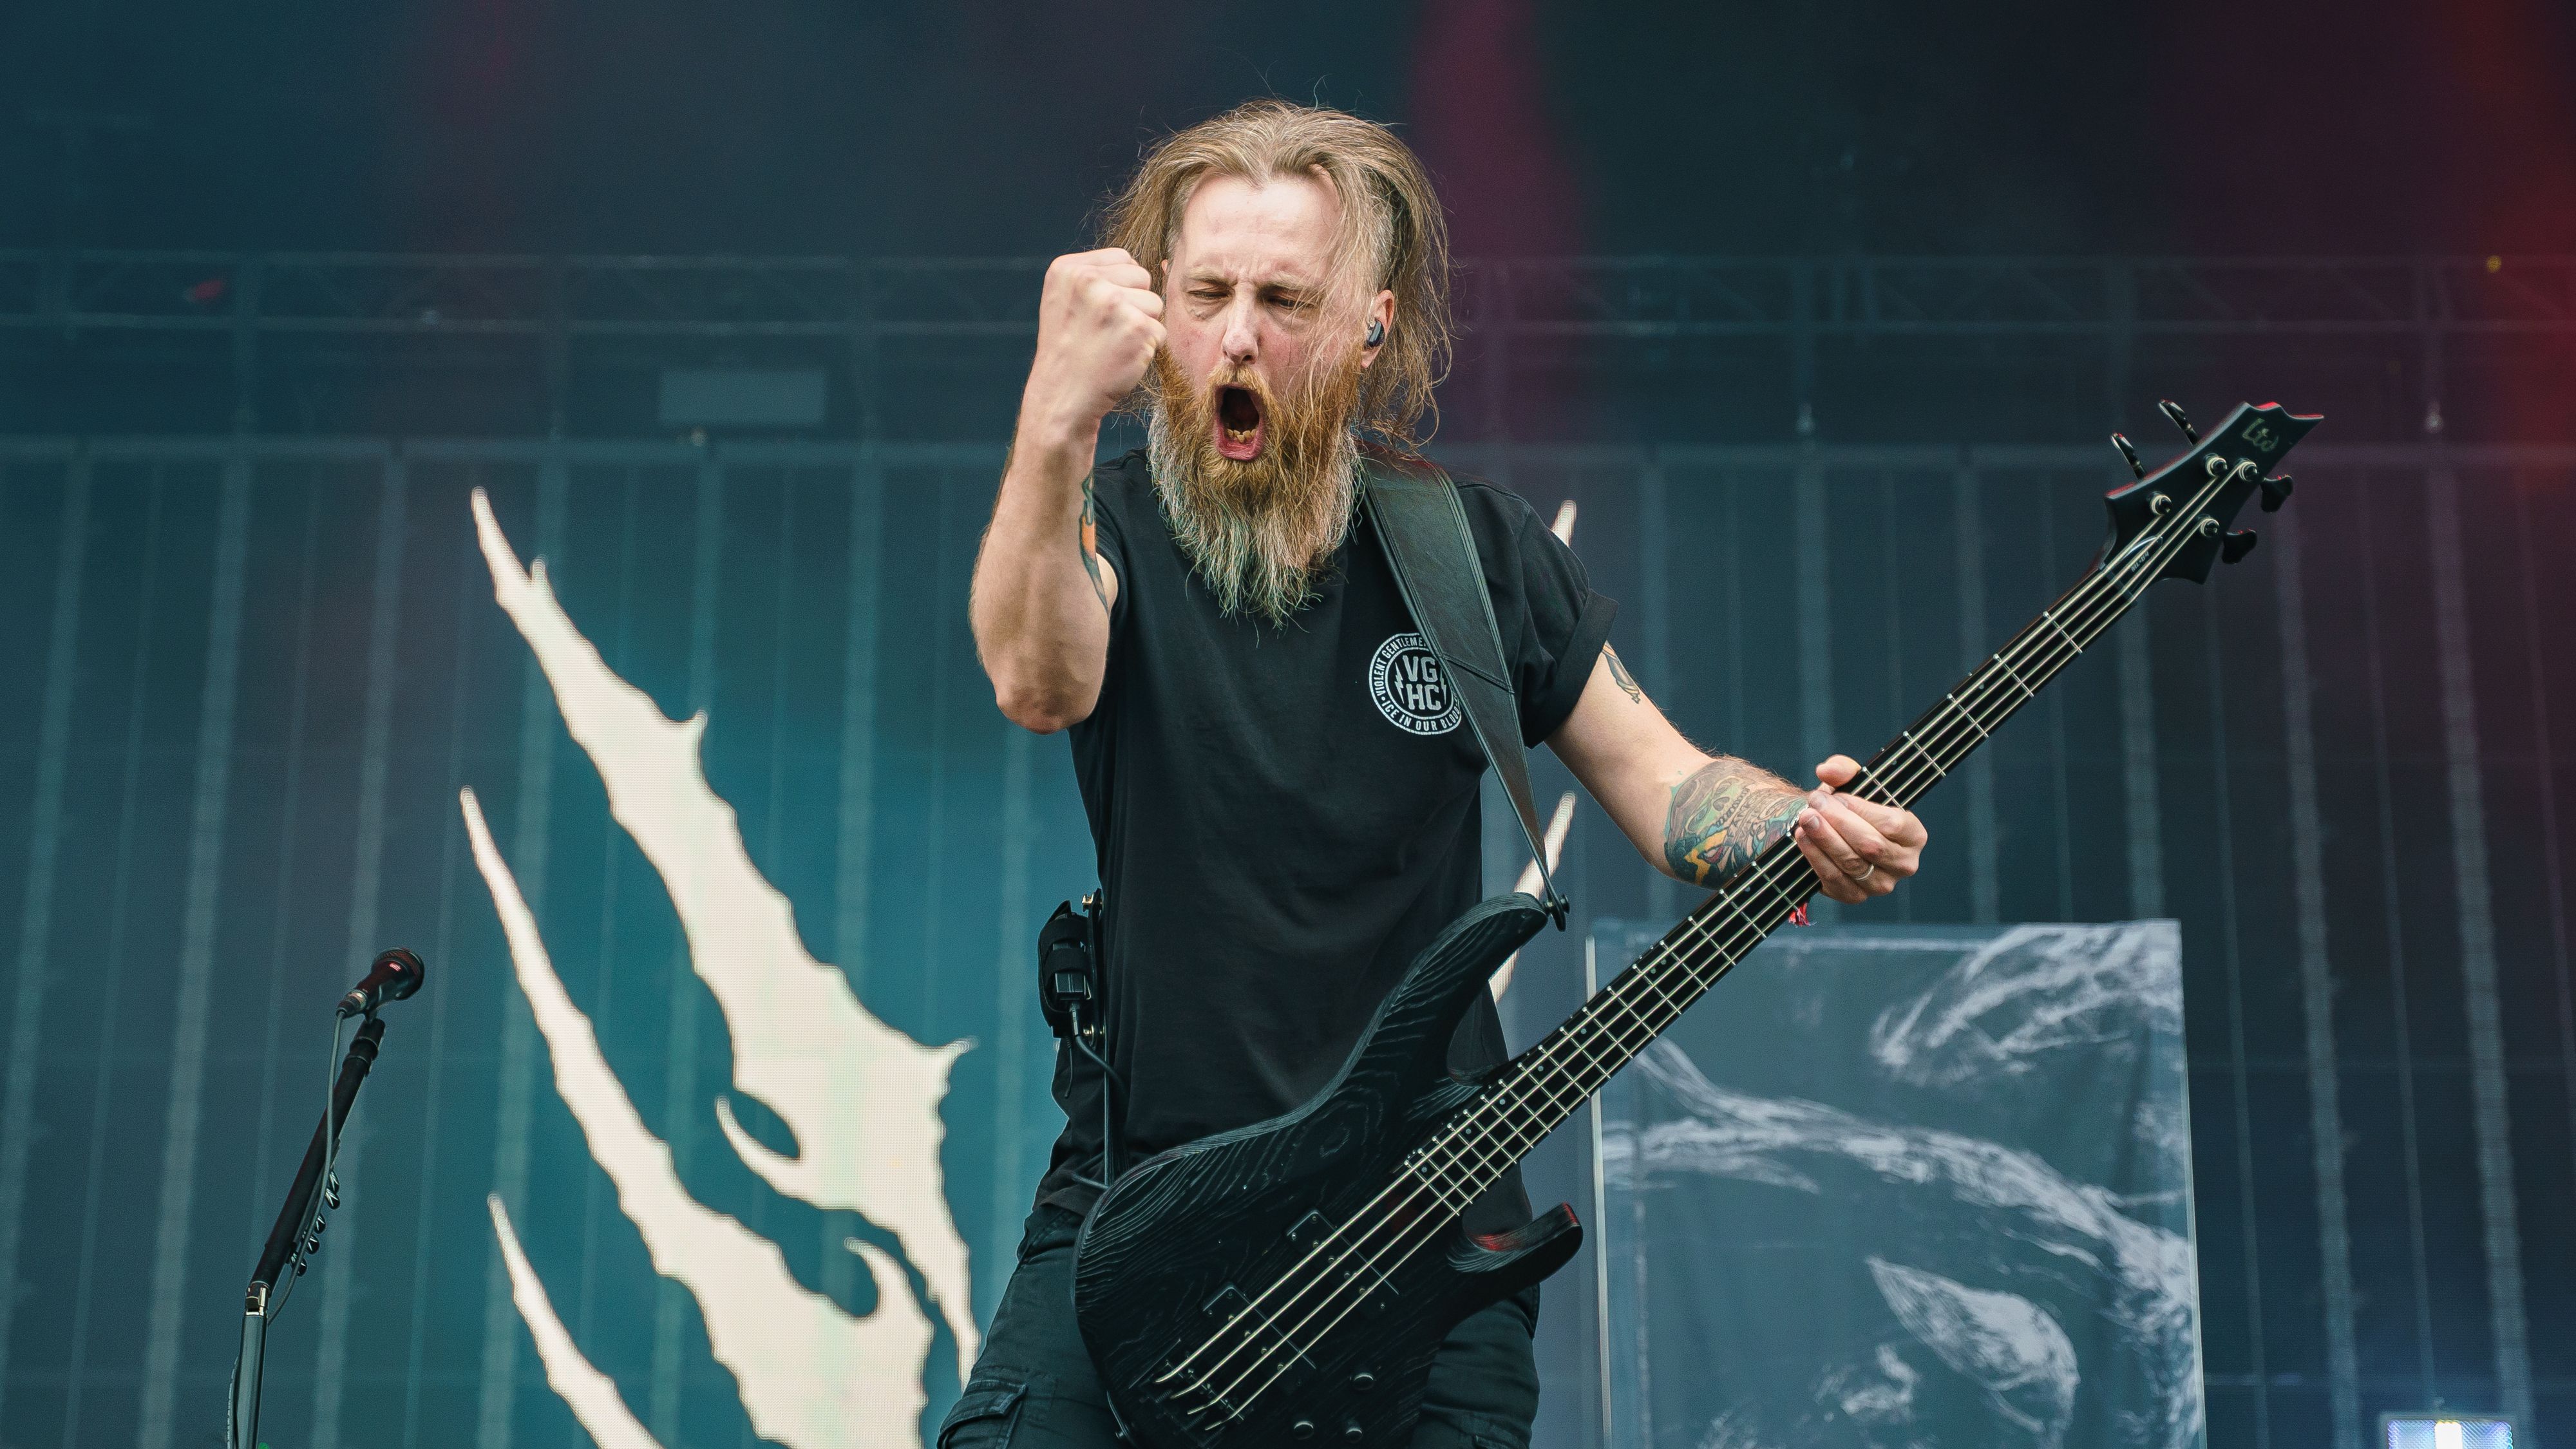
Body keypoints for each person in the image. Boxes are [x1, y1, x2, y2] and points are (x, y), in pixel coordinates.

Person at [954, 99, 1929, 1449]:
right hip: (1141, 1204)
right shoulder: (1099, 520)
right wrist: (1054, 417)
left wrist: (1793, 824)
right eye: (1205, 294)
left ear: (1366, 326)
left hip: (1415, 1219)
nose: (1236, 334)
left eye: (1283, 299)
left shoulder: (1467, 550)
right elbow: (1034, 680)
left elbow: (1665, 786)